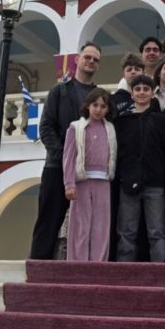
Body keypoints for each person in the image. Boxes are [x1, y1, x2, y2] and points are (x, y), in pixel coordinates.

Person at [31, 42, 103, 259]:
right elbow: (46, 128)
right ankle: (37, 266)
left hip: (87, 171)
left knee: (86, 224)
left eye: (95, 59)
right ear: (77, 60)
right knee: (49, 220)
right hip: (57, 167)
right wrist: (65, 157)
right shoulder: (59, 92)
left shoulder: (99, 97)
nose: (91, 61)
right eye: (87, 57)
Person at [114, 75, 165, 262]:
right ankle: (124, 273)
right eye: (137, 89)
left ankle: (160, 273)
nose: (141, 93)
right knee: (126, 232)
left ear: (152, 93)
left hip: (155, 183)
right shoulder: (122, 121)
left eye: (146, 89)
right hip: (128, 183)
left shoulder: (160, 120)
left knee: (157, 232)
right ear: (132, 93)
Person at [63, 88, 117, 262]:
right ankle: (78, 263)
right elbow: (68, 157)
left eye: (103, 106)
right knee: (81, 224)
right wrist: (69, 184)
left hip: (103, 181)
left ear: (108, 109)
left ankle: (98, 263)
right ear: (87, 106)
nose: (99, 109)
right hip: (82, 182)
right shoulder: (75, 128)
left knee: (101, 225)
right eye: (95, 105)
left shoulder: (110, 128)